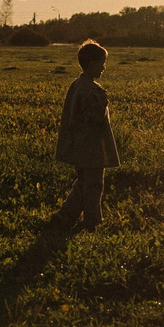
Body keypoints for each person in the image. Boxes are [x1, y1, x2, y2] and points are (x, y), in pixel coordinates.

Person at [55, 39, 119, 229]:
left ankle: (66, 214)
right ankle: (93, 221)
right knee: (93, 185)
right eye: (102, 63)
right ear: (92, 64)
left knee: (84, 182)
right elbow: (94, 119)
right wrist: (103, 102)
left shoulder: (77, 84)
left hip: (79, 144)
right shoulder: (91, 90)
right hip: (91, 147)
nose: (104, 68)